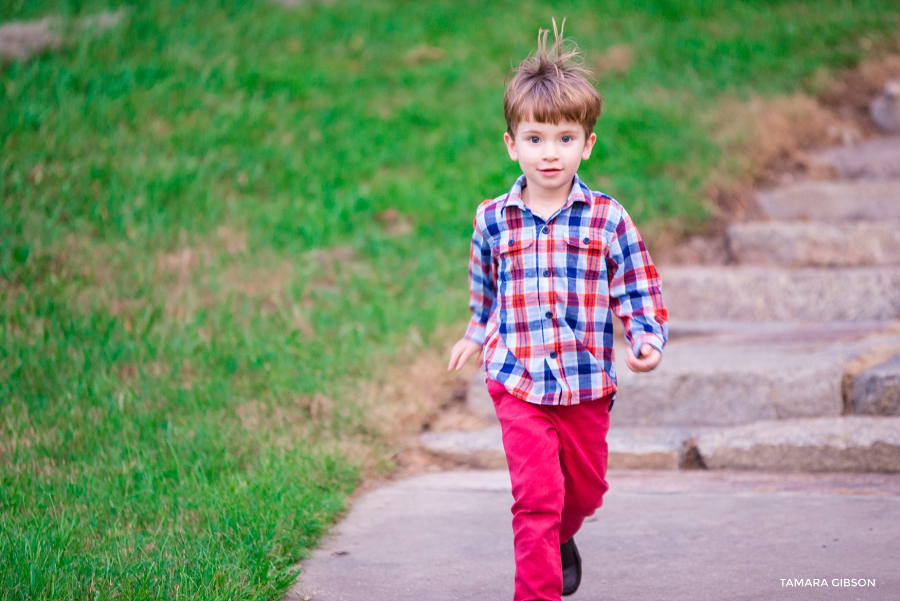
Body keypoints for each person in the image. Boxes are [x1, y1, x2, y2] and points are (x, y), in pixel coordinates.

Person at [447, 18, 668, 601]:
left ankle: (561, 535)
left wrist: (645, 336)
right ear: (512, 143)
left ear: (587, 143)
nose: (550, 153)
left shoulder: (607, 218)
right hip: (516, 377)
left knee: (586, 492)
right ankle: (537, 585)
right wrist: (475, 334)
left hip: (584, 381)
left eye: (565, 138)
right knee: (536, 498)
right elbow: (485, 286)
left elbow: (636, 283)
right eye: (536, 138)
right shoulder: (492, 218)